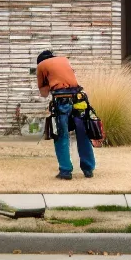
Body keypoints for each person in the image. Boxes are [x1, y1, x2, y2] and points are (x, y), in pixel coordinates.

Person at [36, 48, 96, 181]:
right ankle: (88, 169)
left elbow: (44, 93)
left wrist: (46, 84)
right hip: (79, 99)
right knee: (83, 134)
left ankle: (65, 171)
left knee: (61, 135)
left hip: (61, 101)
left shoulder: (41, 66)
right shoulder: (64, 60)